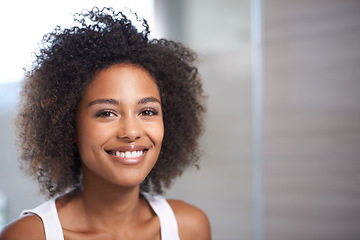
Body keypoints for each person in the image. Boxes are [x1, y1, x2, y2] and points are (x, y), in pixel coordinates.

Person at [0, 7, 210, 240]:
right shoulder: (28, 236)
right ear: (71, 126)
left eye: (147, 111)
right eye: (107, 113)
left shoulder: (190, 228)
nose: (131, 132)